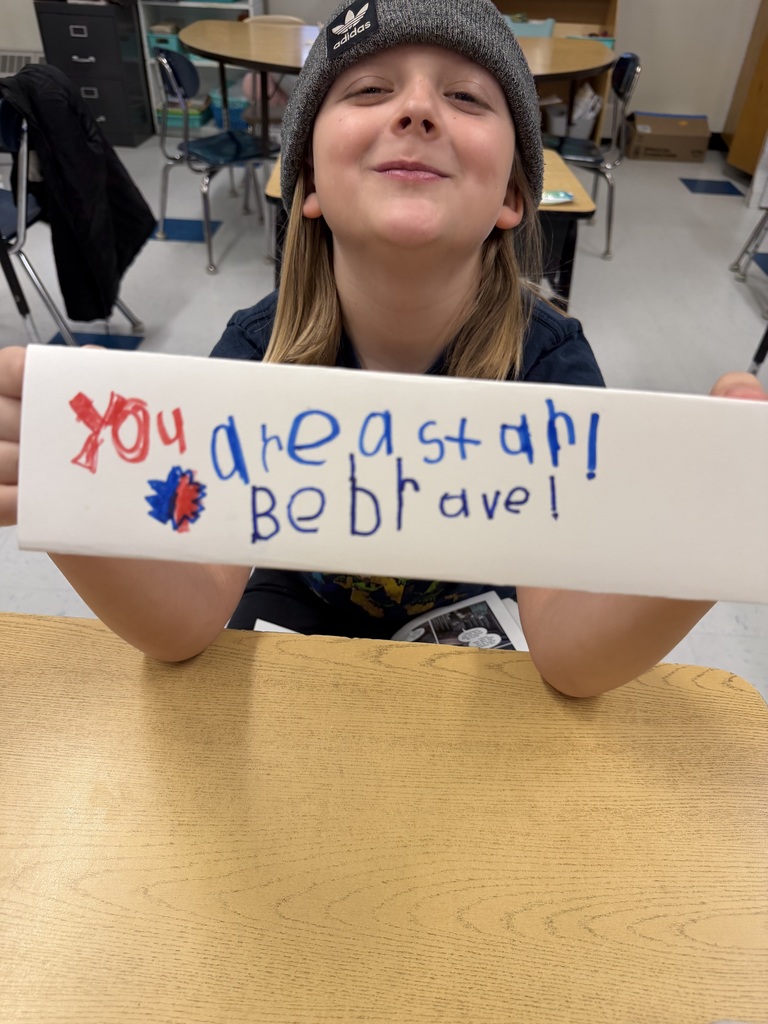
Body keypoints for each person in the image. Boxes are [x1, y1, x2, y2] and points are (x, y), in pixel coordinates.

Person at [0, 0, 765, 696]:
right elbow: (183, 626)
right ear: (308, 184)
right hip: (291, 604)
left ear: (511, 197)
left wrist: (712, 533)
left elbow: (570, 656)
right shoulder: (256, 353)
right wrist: (72, 499)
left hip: (472, 617)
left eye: (465, 96)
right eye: (368, 90)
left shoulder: (549, 366)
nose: (418, 110)